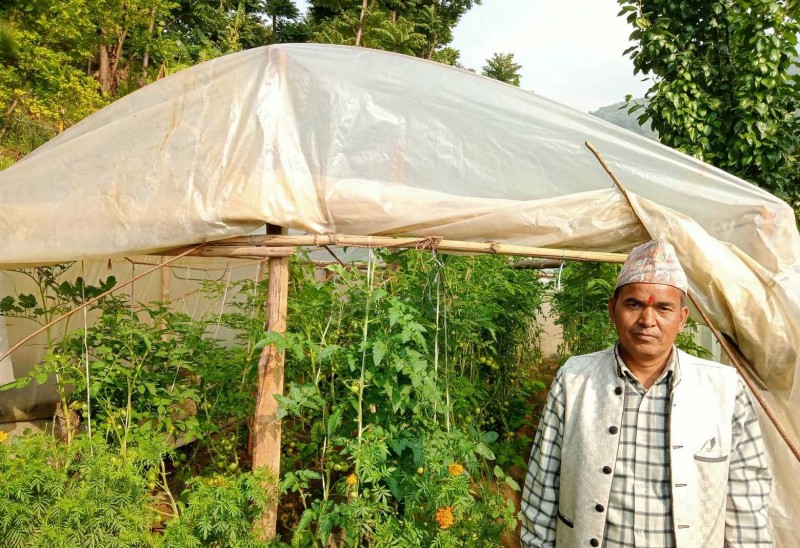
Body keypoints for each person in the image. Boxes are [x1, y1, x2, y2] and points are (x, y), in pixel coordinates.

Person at [520, 240, 771, 547]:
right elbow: (542, 487)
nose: (647, 320)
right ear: (613, 310)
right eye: (634, 304)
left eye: (663, 308)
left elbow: (748, 501)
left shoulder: (724, 390)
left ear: (682, 318)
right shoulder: (575, 380)